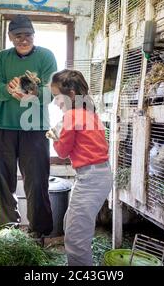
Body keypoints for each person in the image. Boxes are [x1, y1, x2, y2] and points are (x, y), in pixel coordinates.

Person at [0, 14, 57, 239]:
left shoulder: (46, 56)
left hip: (35, 129)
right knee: (2, 181)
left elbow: (50, 93)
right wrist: (8, 89)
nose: (23, 39)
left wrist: (32, 91)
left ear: (33, 35)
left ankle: (39, 233)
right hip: (3, 127)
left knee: (37, 182)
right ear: (10, 37)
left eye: (27, 35)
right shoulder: (2, 58)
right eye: (18, 36)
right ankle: (8, 230)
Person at [47, 69, 113, 266]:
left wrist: (54, 137)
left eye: (57, 97)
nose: (55, 103)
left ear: (71, 95)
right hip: (97, 176)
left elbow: (62, 151)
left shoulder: (72, 115)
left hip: (90, 178)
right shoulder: (89, 113)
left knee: (75, 238)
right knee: (72, 224)